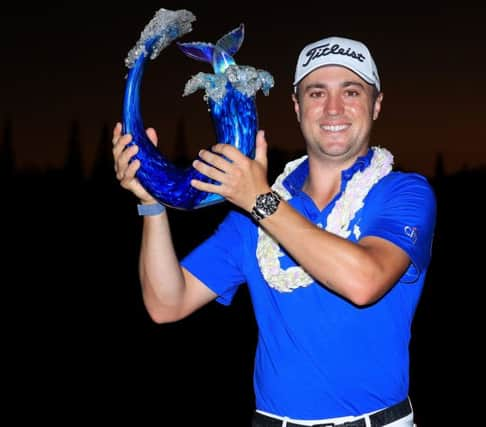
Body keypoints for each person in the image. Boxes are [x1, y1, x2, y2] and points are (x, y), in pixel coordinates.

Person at [112, 35, 436, 427]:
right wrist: (152, 204)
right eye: (317, 93)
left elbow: (363, 281)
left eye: (351, 91)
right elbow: (167, 303)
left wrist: (259, 200)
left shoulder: (404, 192)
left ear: (376, 105)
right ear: (297, 107)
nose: (334, 108)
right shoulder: (256, 214)